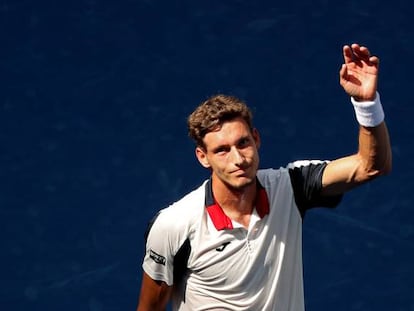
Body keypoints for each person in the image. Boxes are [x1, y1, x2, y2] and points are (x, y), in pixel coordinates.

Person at [136, 43, 392, 311]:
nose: (237, 159)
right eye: (221, 150)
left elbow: (371, 165)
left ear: (256, 139)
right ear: (203, 157)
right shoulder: (173, 226)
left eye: (243, 143)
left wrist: (366, 102)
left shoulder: (293, 186)